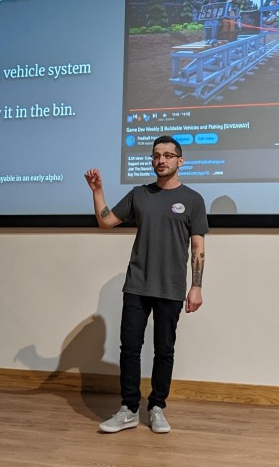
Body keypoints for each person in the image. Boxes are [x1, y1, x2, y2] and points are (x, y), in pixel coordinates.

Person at [84, 135, 208, 434]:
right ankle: (128, 408)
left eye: (167, 155)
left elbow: (198, 247)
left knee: (164, 350)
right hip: (137, 285)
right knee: (130, 348)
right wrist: (98, 191)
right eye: (156, 155)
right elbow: (106, 221)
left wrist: (196, 286)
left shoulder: (193, 199)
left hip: (171, 287)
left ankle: (156, 407)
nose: (161, 160)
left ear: (180, 160)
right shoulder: (139, 194)